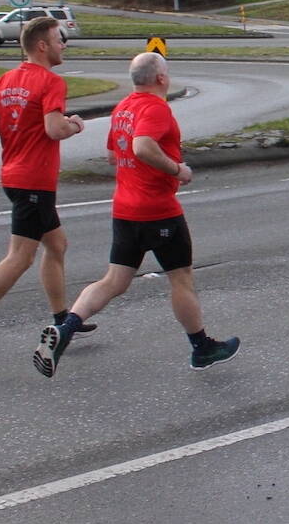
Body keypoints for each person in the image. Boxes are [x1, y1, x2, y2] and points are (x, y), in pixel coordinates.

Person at [33, 52, 239, 377]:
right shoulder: (155, 108)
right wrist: (176, 170)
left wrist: (141, 172)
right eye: (167, 72)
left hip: (125, 209)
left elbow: (114, 156)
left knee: (114, 280)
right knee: (181, 278)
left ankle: (67, 327)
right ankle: (202, 348)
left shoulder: (123, 107)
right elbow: (142, 146)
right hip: (158, 210)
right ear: (160, 78)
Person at [0, 16, 94, 368]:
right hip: (34, 181)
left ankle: (62, 321)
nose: (64, 45)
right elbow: (55, 129)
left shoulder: (5, 80)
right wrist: (75, 124)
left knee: (56, 245)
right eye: (60, 39)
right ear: (42, 45)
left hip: (14, 175)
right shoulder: (50, 81)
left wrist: (14, 127)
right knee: (20, 257)